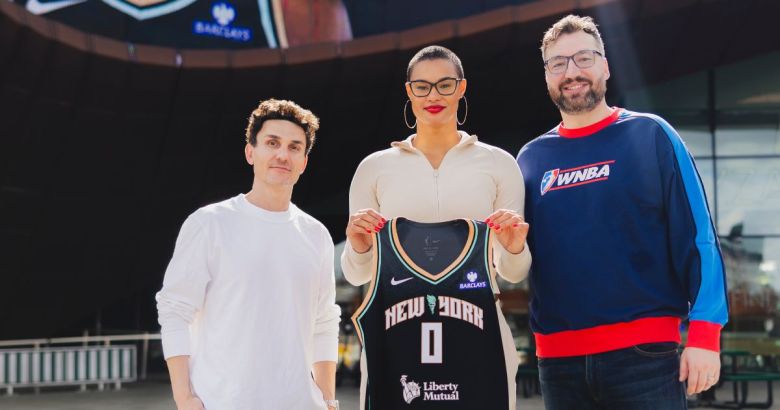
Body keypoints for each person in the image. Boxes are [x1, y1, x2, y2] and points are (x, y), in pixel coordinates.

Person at [517, 15, 729, 409]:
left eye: (583, 58)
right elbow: (516, 255)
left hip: (645, 357)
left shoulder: (651, 135)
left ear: (605, 67)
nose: (571, 72)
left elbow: (698, 237)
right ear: (547, 76)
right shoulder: (530, 160)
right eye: (558, 63)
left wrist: (705, 334)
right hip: (559, 364)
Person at [342, 45, 531, 409]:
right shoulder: (374, 168)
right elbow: (356, 274)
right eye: (422, 86)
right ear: (409, 91)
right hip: (395, 333)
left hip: (478, 329)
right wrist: (359, 245)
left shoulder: (499, 164)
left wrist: (514, 247)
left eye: (445, 85)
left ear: (462, 88)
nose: (433, 96)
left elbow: (513, 272)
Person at [156, 99, 341, 410]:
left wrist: (328, 400)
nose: (283, 155)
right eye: (272, 143)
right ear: (250, 152)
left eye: (295, 147)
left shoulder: (316, 235)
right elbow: (174, 309)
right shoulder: (210, 223)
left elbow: (324, 322)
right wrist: (184, 398)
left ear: (304, 162)